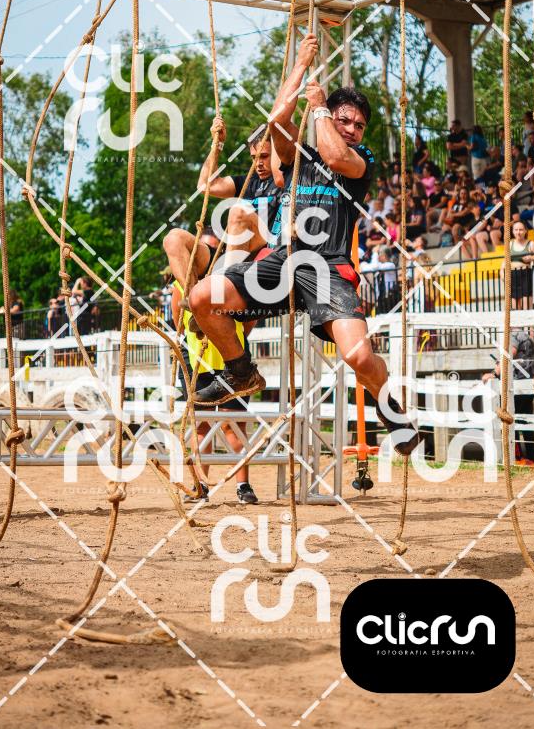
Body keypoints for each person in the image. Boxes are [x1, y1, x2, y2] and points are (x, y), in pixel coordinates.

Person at [188, 33, 419, 455]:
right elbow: (276, 122)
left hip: (329, 267)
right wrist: (299, 64)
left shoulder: (361, 160)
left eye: (358, 125)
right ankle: (240, 370)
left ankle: (390, 407)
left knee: (359, 358)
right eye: (345, 121)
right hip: (286, 258)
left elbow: (335, 157)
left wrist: (320, 108)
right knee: (202, 297)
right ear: (329, 117)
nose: (352, 130)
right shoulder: (298, 156)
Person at [172, 229, 258, 505]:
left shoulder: (231, 286)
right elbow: (179, 323)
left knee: (234, 425)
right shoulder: (180, 287)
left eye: (214, 251)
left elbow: (248, 321)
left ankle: (243, 485)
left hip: (231, 362)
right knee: (200, 426)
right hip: (196, 361)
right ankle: (200, 485)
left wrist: (228, 342)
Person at [163, 121, 281, 312]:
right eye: (254, 158)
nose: (258, 164)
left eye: (264, 156)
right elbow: (205, 185)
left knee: (239, 211)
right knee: (173, 238)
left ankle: (223, 291)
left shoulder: (287, 179)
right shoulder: (248, 182)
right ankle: (195, 304)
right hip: (229, 256)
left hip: (264, 250)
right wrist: (217, 145)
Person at [483, 330, 534, 463]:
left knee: (511, 420)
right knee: (526, 422)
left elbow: (508, 355)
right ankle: (531, 458)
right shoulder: (527, 337)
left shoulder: (513, 336)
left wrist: (494, 373)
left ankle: (516, 457)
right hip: (528, 385)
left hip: (517, 386)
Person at [501, 221, 534, 310]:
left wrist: (531, 258)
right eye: (516, 230)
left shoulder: (531, 244)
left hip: (525, 275)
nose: (518, 232)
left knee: (526, 306)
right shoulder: (510, 244)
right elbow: (504, 261)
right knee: (514, 308)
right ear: (513, 231)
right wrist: (502, 273)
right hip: (512, 276)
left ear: (525, 231)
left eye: (521, 230)